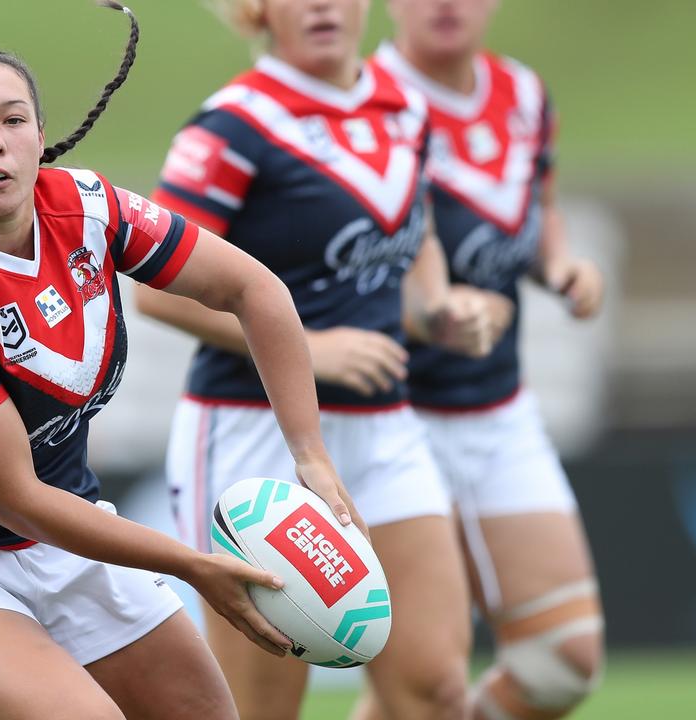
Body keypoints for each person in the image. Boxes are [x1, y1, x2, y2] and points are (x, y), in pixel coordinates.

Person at [0, 4, 362, 718]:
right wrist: (190, 566)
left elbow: (255, 290)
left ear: (39, 134)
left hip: (68, 542)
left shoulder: (90, 209)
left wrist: (310, 456)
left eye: (13, 120)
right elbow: (17, 499)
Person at [135, 1, 512, 718]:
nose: (321, 5)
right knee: (262, 703)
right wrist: (309, 349)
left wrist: (440, 309)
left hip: (383, 428)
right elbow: (158, 294)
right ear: (258, 10)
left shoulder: (403, 106)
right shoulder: (232, 124)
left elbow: (415, 234)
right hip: (256, 437)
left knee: (434, 689)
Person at [375, 1, 605, 717]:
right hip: (391, 419)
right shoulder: (368, 102)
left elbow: (540, 209)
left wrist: (562, 264)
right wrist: (437, 312)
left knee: (564, 663)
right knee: (420, 691)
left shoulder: (525, 94)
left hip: (500, 408)